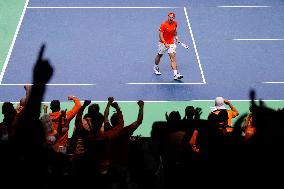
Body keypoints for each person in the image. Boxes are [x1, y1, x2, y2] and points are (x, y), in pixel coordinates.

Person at [154, 12, 183, 80]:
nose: (171, 18)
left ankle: (175, 74)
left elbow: (175, 31)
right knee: (159, 55)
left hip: (171, 43)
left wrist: (176, 37)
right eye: (169, 17)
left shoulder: (175, 23)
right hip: (162, 43)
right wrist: (165, 43)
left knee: (173, 58)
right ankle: (156, 67)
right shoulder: (163, 24)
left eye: (172, 17)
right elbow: (160, 35)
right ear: (168, 17)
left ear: (174, 18)